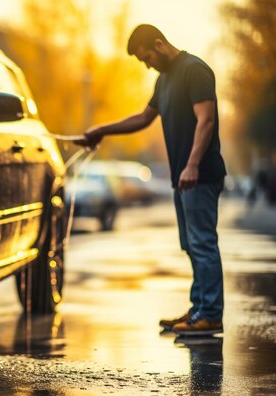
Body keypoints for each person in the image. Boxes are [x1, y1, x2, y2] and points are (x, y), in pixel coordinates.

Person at [79, 24, 227, 336]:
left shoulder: (195, 70)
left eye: (146, 58)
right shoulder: (164, 81)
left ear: (158, 44)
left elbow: (207, 120)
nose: (146, 65)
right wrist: (101, 130)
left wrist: (193, 165)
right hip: (183, 177)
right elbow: (142, 119)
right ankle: (200, 308)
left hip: (199, 173)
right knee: (191, 244)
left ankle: (211, 314)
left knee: (202, 243)